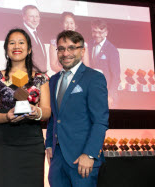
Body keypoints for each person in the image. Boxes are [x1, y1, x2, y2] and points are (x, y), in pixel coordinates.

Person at [0, 28, 51, 187]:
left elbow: (47, 112)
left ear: (29, 49)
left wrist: (37, 112)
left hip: (32, 144)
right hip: (4, 144)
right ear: (6, 49)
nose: (17, 46)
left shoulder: (41, 78)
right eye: (12, 43)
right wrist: (6, 117)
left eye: (21, 43)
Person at [45, 30, 109, 187]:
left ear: (82, 50)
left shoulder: (94, 77)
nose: (66, 53)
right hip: (58, 158)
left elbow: (100, 121)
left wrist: (90, 154)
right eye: (61, 48)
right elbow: (54, 117)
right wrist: (48, 143)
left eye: (72, 48)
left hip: (82, 158)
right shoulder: (53, 80)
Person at [88, 19, 121, 108]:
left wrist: (110, 95)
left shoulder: (112, 50)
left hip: (106, 95)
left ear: (106, 33)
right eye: (94, 31)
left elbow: (116, 76)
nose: (97, 35)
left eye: (100, 32)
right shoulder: (89, 45)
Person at [21, 5, 47, 72]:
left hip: (39, 77)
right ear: (24, 17)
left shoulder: (38, 34)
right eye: (31, 16)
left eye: (37, 16)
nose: (35, 20)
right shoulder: (20, 34)